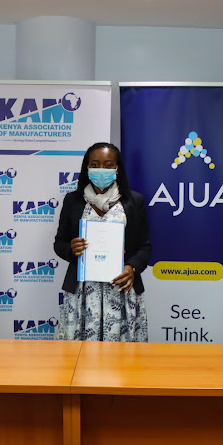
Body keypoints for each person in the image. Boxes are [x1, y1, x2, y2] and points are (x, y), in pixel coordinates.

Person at [54, 142, 152, 341]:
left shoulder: (134, 201)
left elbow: (144, 246)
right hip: (81, 293)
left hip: (121, 290)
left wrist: (132, 268)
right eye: (95, 164)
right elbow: (59, 243)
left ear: (117, 169)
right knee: (78, 358)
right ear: (87, 168)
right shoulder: (73, 201)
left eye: (108, 165)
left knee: (122, 360)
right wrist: (71, 249)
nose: (101, 170)